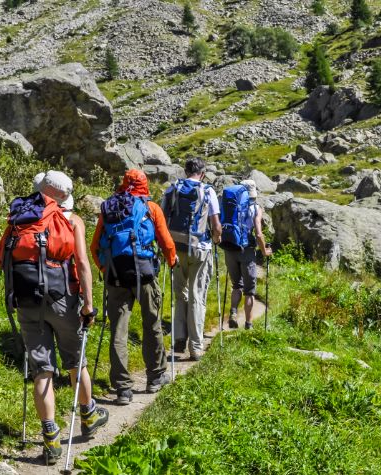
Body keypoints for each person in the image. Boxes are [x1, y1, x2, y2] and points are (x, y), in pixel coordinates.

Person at [0, 170, 108, 464]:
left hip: (26, 302)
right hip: (63, 300)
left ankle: (50, 437)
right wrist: (88, 305)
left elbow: (0, 259)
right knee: (75, 361)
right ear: (64, 196)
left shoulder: (19, 218)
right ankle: (88, 415)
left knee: (42, 369)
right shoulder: (72, 220)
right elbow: (82, 263)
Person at [91, 169, 177, 405]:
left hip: (116, 275)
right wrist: (172, 260)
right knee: (152, 324)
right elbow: (166, 242)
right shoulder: (151, 208)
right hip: (145, 274)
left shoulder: (109, 208)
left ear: (123, 183)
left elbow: (94, 245)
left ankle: (122, 389)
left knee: (118, 330)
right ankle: (155, 377)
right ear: (145, 184)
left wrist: (105, 268)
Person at [161, 158, 221, 360]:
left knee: (181, 293)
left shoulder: (172, 189)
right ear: (202, 173)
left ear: (185, 171)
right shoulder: (208, 191)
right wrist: (217, 238)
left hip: (176, 249)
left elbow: (161, 218)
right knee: (197, 296)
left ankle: (179, 338)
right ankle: (196, 347)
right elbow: (216, 224)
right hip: (200, 249)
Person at [225, 180, 271, 330]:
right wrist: (264, 250)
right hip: (247, 250)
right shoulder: (256, 208)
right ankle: (248, 325)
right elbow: (258, 233)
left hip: (230, 248)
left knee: (236, 285)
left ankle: (233, 312)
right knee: (249, 291)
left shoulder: (232, 206)